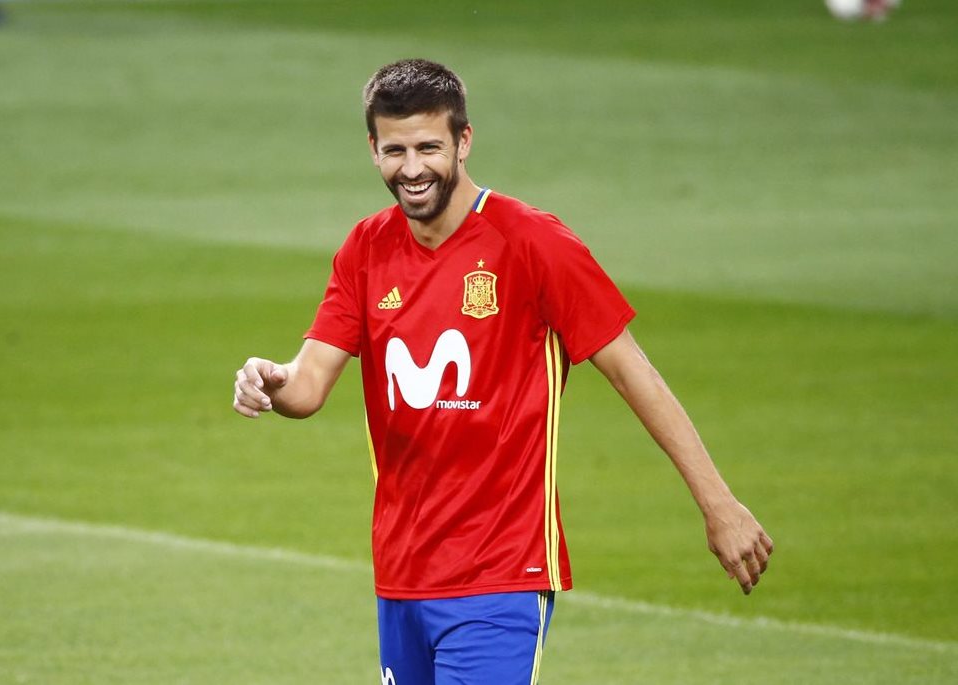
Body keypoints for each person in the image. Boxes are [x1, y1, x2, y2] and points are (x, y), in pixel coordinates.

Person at [233, 58, 773, 685]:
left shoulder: (532, 243)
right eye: (395, 150)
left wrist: (718, 504)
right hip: (402, 572)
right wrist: (271, 383)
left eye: (429, 147)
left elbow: (633, 372)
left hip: (501, 572)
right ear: (373, 148)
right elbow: (308, 384)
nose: (412, 169)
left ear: (464, 141)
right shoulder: (366, 248)